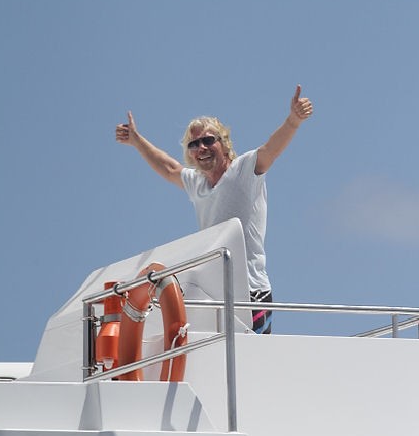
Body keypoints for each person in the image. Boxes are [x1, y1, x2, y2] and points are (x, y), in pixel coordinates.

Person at [115, 85, 313, 333]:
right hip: (216, 295)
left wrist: (293, 120)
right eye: (194, 144)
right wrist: (136, 140)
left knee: (250, 363)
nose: (201, 148)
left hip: (252, 293)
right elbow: (168, 168)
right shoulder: (197, 183)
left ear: (224, 143)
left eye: (208, 140)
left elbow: (270, 150)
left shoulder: (243, 170)